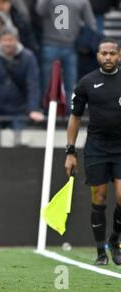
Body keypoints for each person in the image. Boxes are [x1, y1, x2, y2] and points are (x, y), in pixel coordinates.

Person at [65, 38, 121, 266]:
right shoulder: (87, 83)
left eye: (112, 53)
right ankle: (100, 252)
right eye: (104, 53)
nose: (108, 57)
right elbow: (75, 117)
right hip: (96, 147)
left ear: (119, 55)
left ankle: (114, 241)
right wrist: (70, 151)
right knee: (99, 197)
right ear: (97, 55)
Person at [0, 27, 44, 127]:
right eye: (4, 40)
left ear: (17, 40)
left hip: (20, 108)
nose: (7, 44)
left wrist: (33, 109)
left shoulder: (28, 57)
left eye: (10, 40)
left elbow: (33, 85)